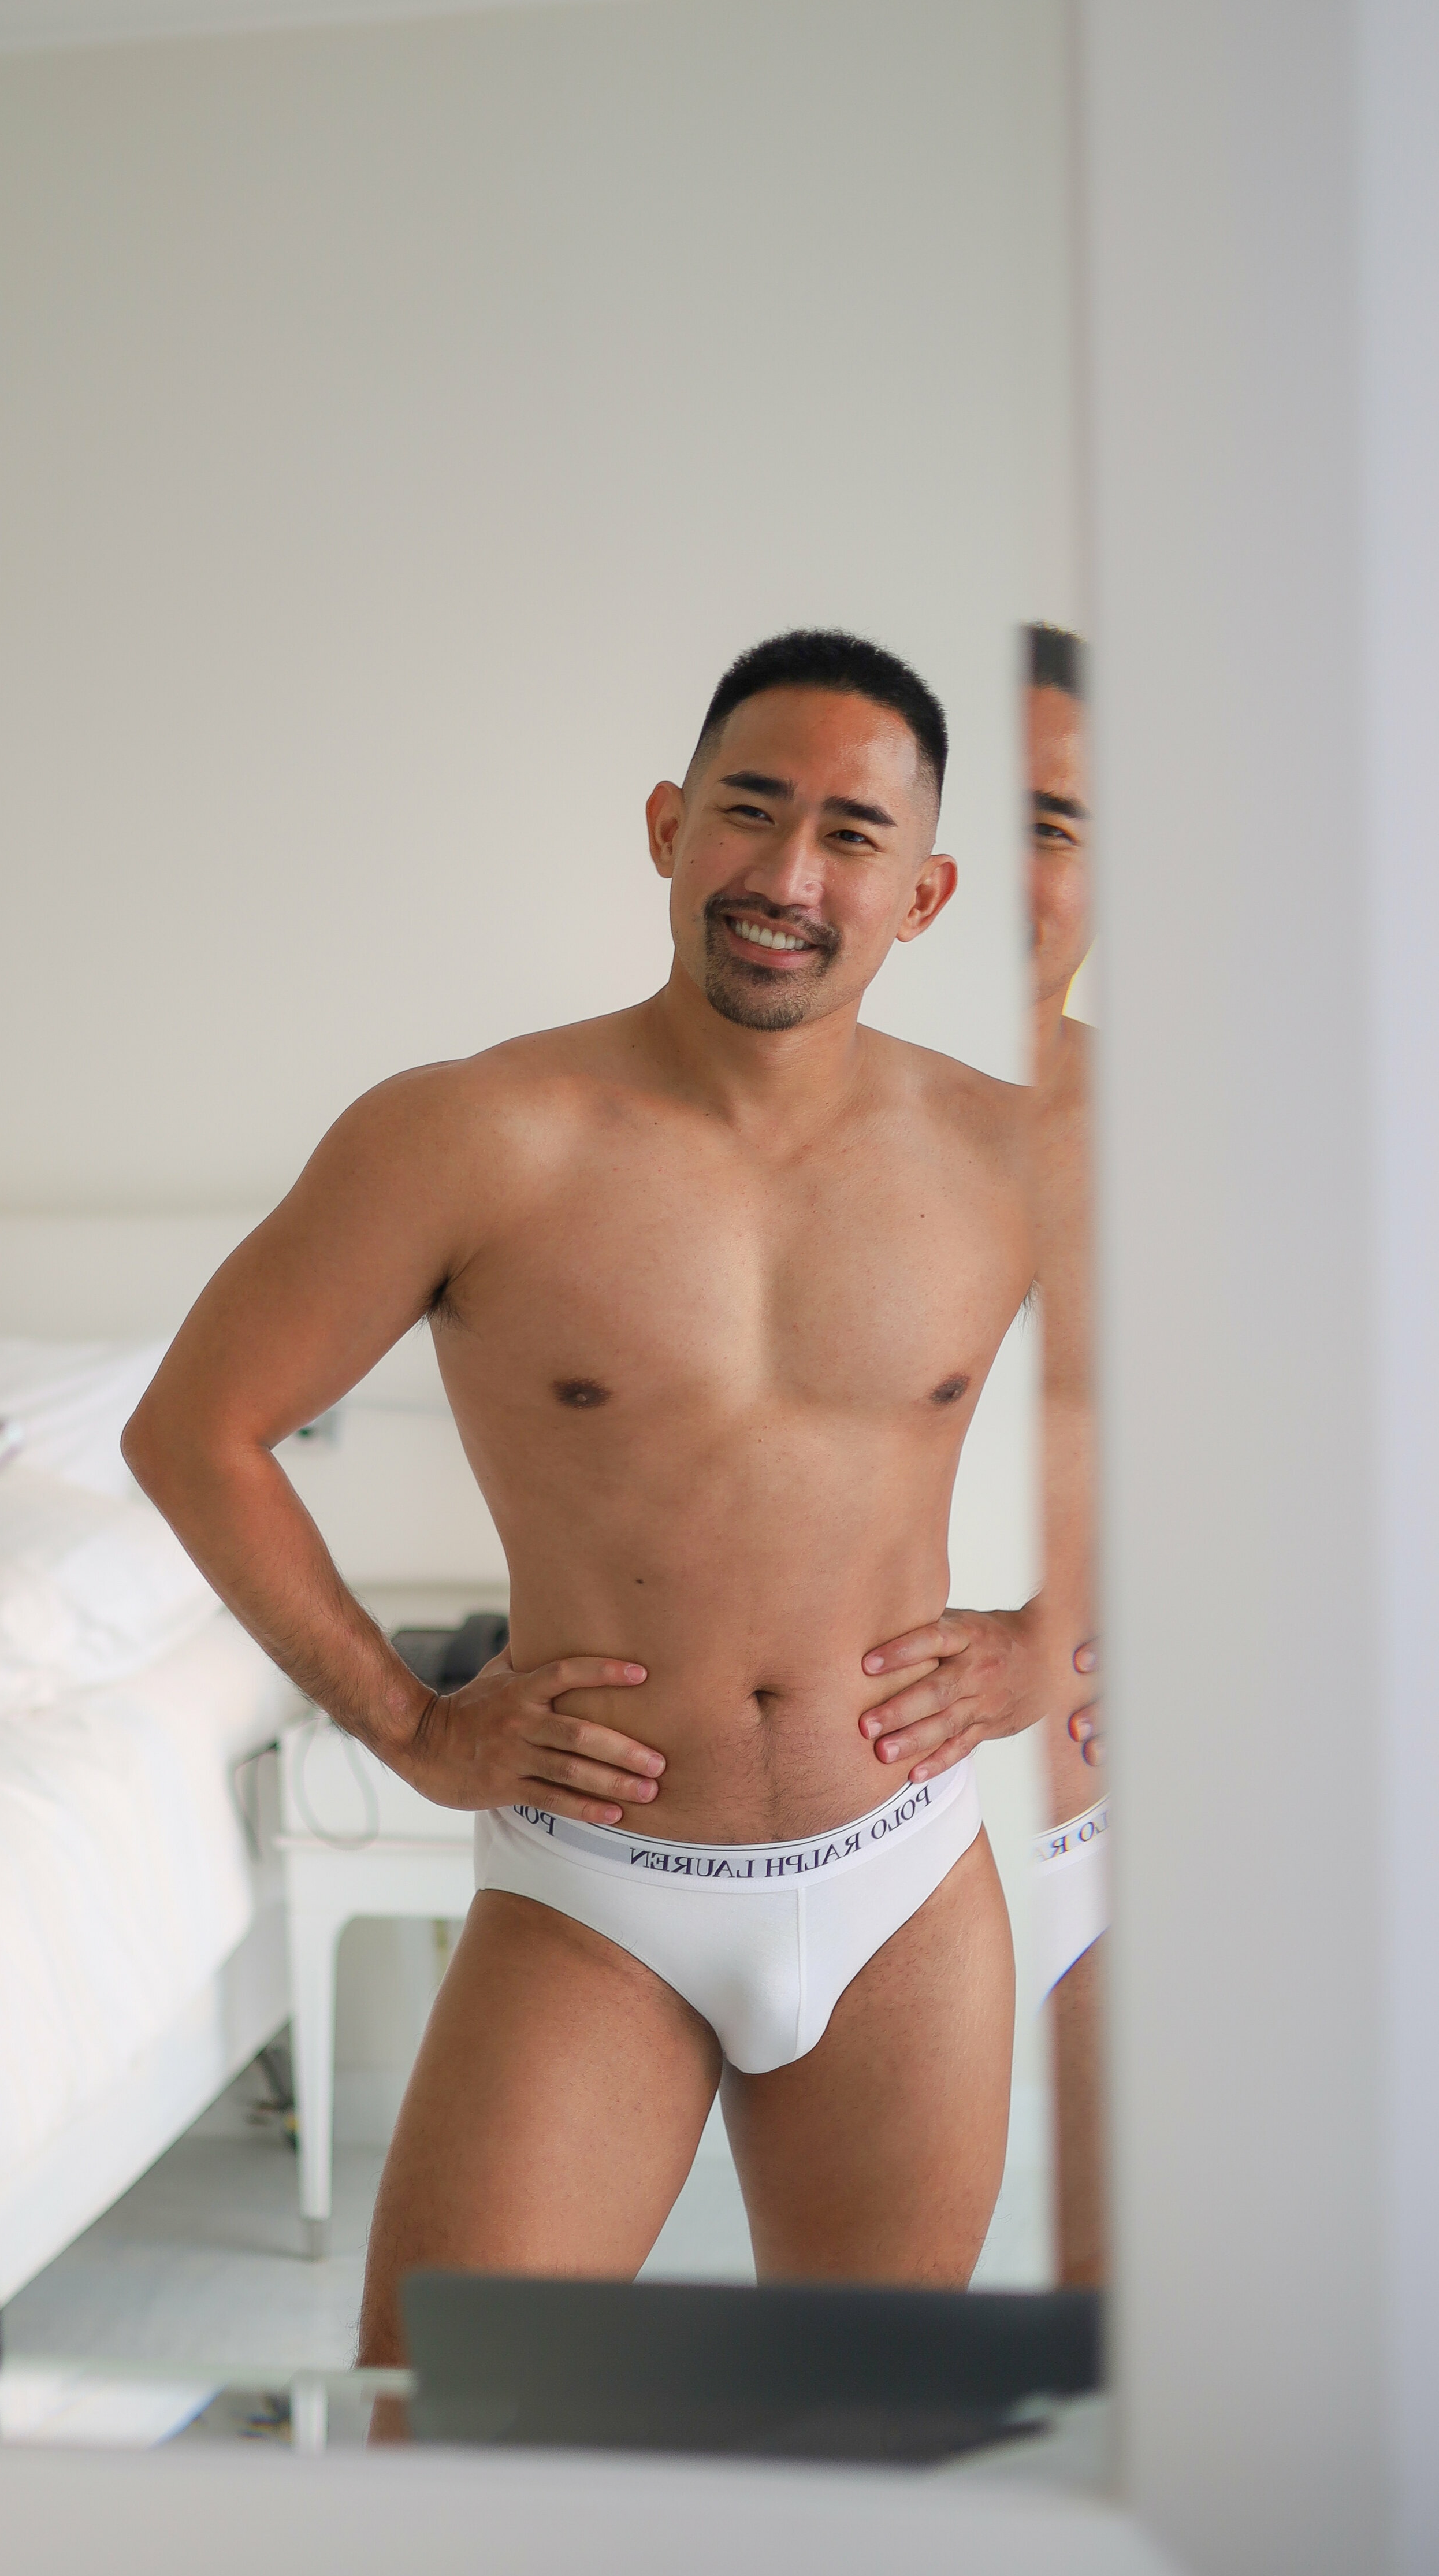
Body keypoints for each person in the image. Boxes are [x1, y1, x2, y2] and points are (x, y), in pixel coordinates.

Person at [124, 631, 1035, 2358]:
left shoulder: (1015, 1156)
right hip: (598, 1892)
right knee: (438, 2435)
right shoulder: (467, 1136)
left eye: (851, 834)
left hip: (903, 1889)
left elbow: (1268, 1422)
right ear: (668, 825)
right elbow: (196, 1432)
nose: (787, 875)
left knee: (861, 2446)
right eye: (749, 810)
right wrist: (409, 1725)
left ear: (922, 896)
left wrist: (1047, 1648)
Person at [1021, 623, 1107, 2287]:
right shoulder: (733, 1127)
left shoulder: (1184, 1138)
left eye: (1056, 825)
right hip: (805, 1824)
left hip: (1097, 1830)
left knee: (1136, 2335)